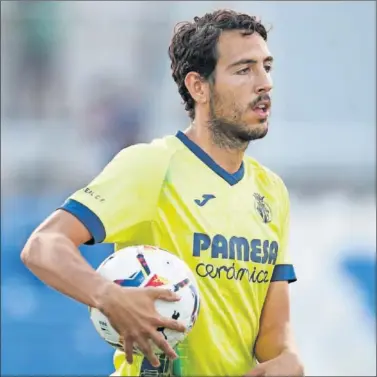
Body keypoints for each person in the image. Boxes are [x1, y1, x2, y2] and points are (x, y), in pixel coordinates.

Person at [21, 9, 304, 377]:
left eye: (267, 66)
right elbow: (44, 246)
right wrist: (109, 296)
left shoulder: (272, 191)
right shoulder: (152, 165)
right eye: (244, 69)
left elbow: (272, 333)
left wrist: (287, 358)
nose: (264, 82)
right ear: (198, 86)